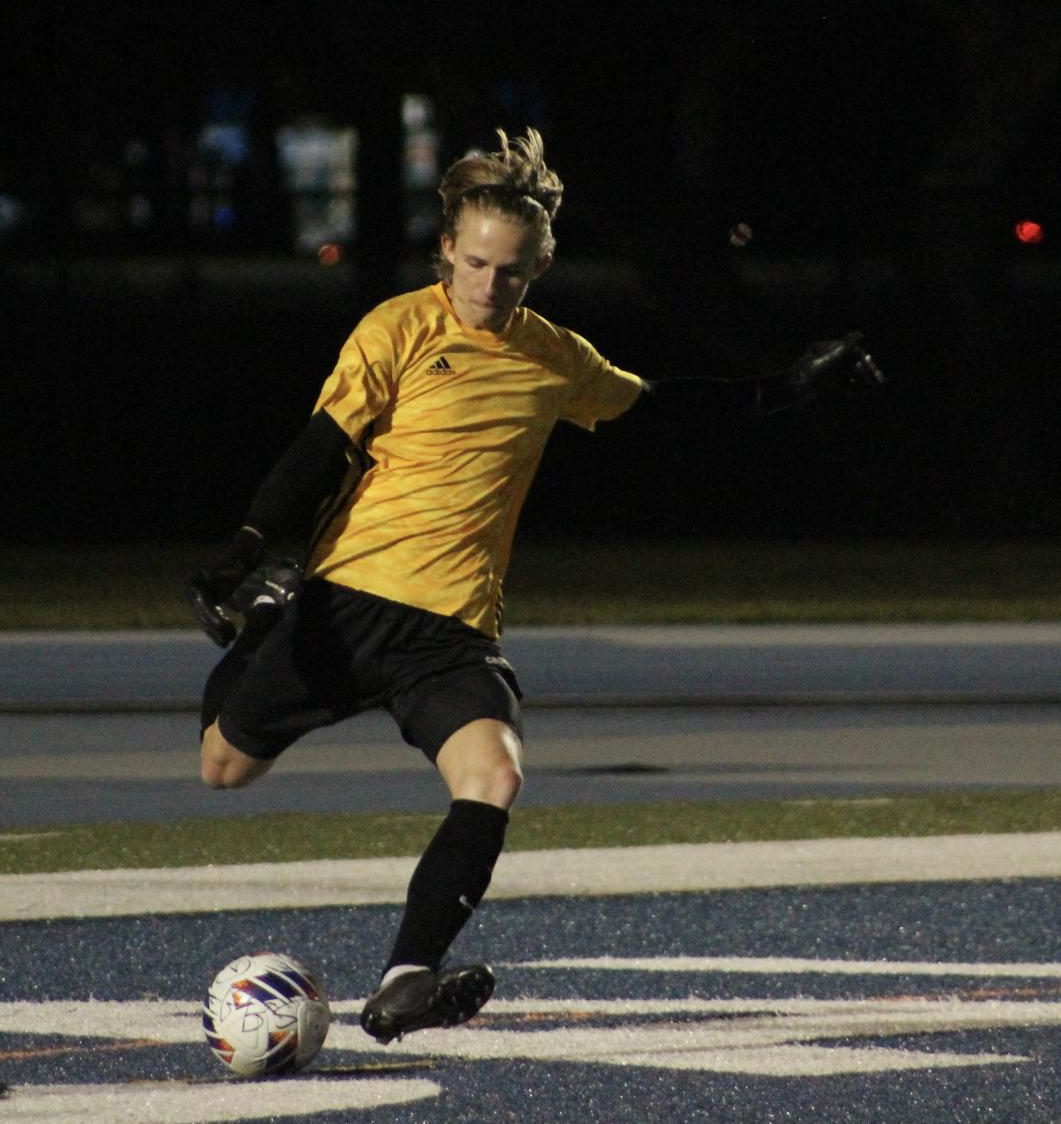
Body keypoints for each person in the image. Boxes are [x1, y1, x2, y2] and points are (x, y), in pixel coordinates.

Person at [188, 128, 881, 1044]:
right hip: (350, 600)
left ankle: (405, 977)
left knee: (493, 773)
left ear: (539, 267)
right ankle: (263, 625)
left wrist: (786, 386)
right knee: (223, 767)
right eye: (473, 263)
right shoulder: (397, 328)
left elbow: (658, 403)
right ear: (447, 250)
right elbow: (322, 447)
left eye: (510, 272)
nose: (487, 286)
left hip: (454, 631)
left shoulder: (552, 357)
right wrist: (248, 547)